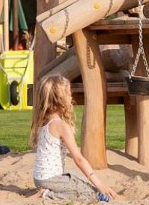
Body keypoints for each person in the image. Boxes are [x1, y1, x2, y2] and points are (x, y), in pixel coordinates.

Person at [30, 74, 117, 202]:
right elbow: (78, 159)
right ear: (61, 99)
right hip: (50, 179)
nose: (71, 97)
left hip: (38, 178)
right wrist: (100, 185)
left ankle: (46, 189)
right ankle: (47, 194)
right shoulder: (61, 126)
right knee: (89, 193)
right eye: (69, 94)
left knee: (77, 178)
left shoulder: (43, 122)